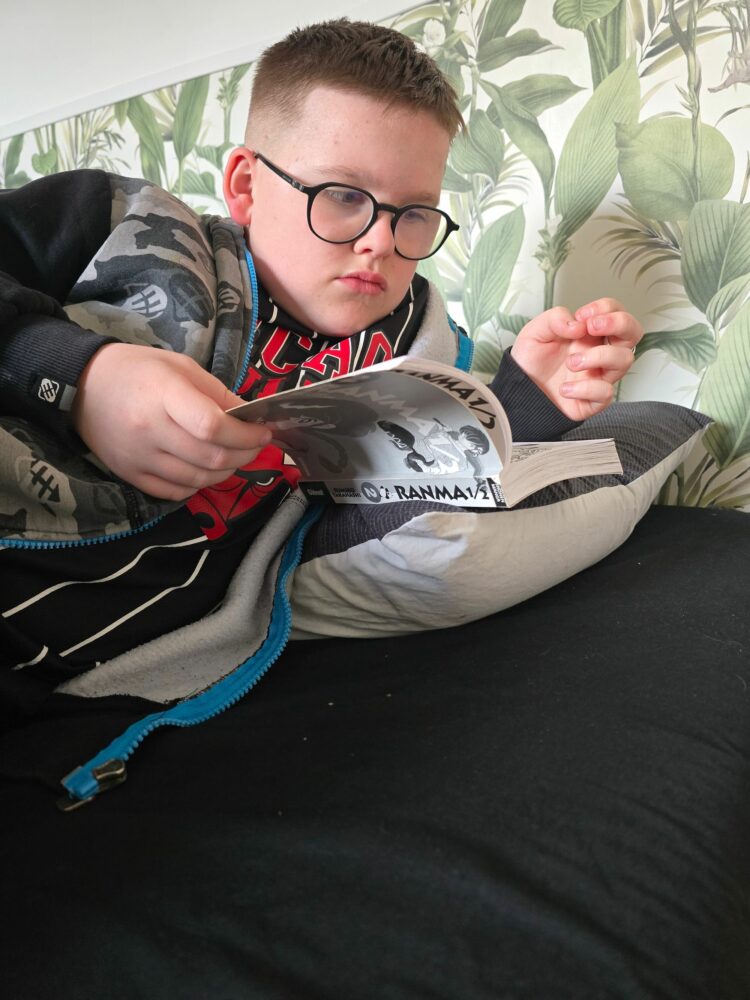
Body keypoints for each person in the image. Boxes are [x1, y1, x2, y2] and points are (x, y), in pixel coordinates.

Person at [0, 19, 642, 799]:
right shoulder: (117, 222)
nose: (380, 242)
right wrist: (74, 372)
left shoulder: (415, 353)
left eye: (414, 214)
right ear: (245, 185)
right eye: (342, 197)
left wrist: (528, 403)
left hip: (78, 677)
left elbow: (407, 508)